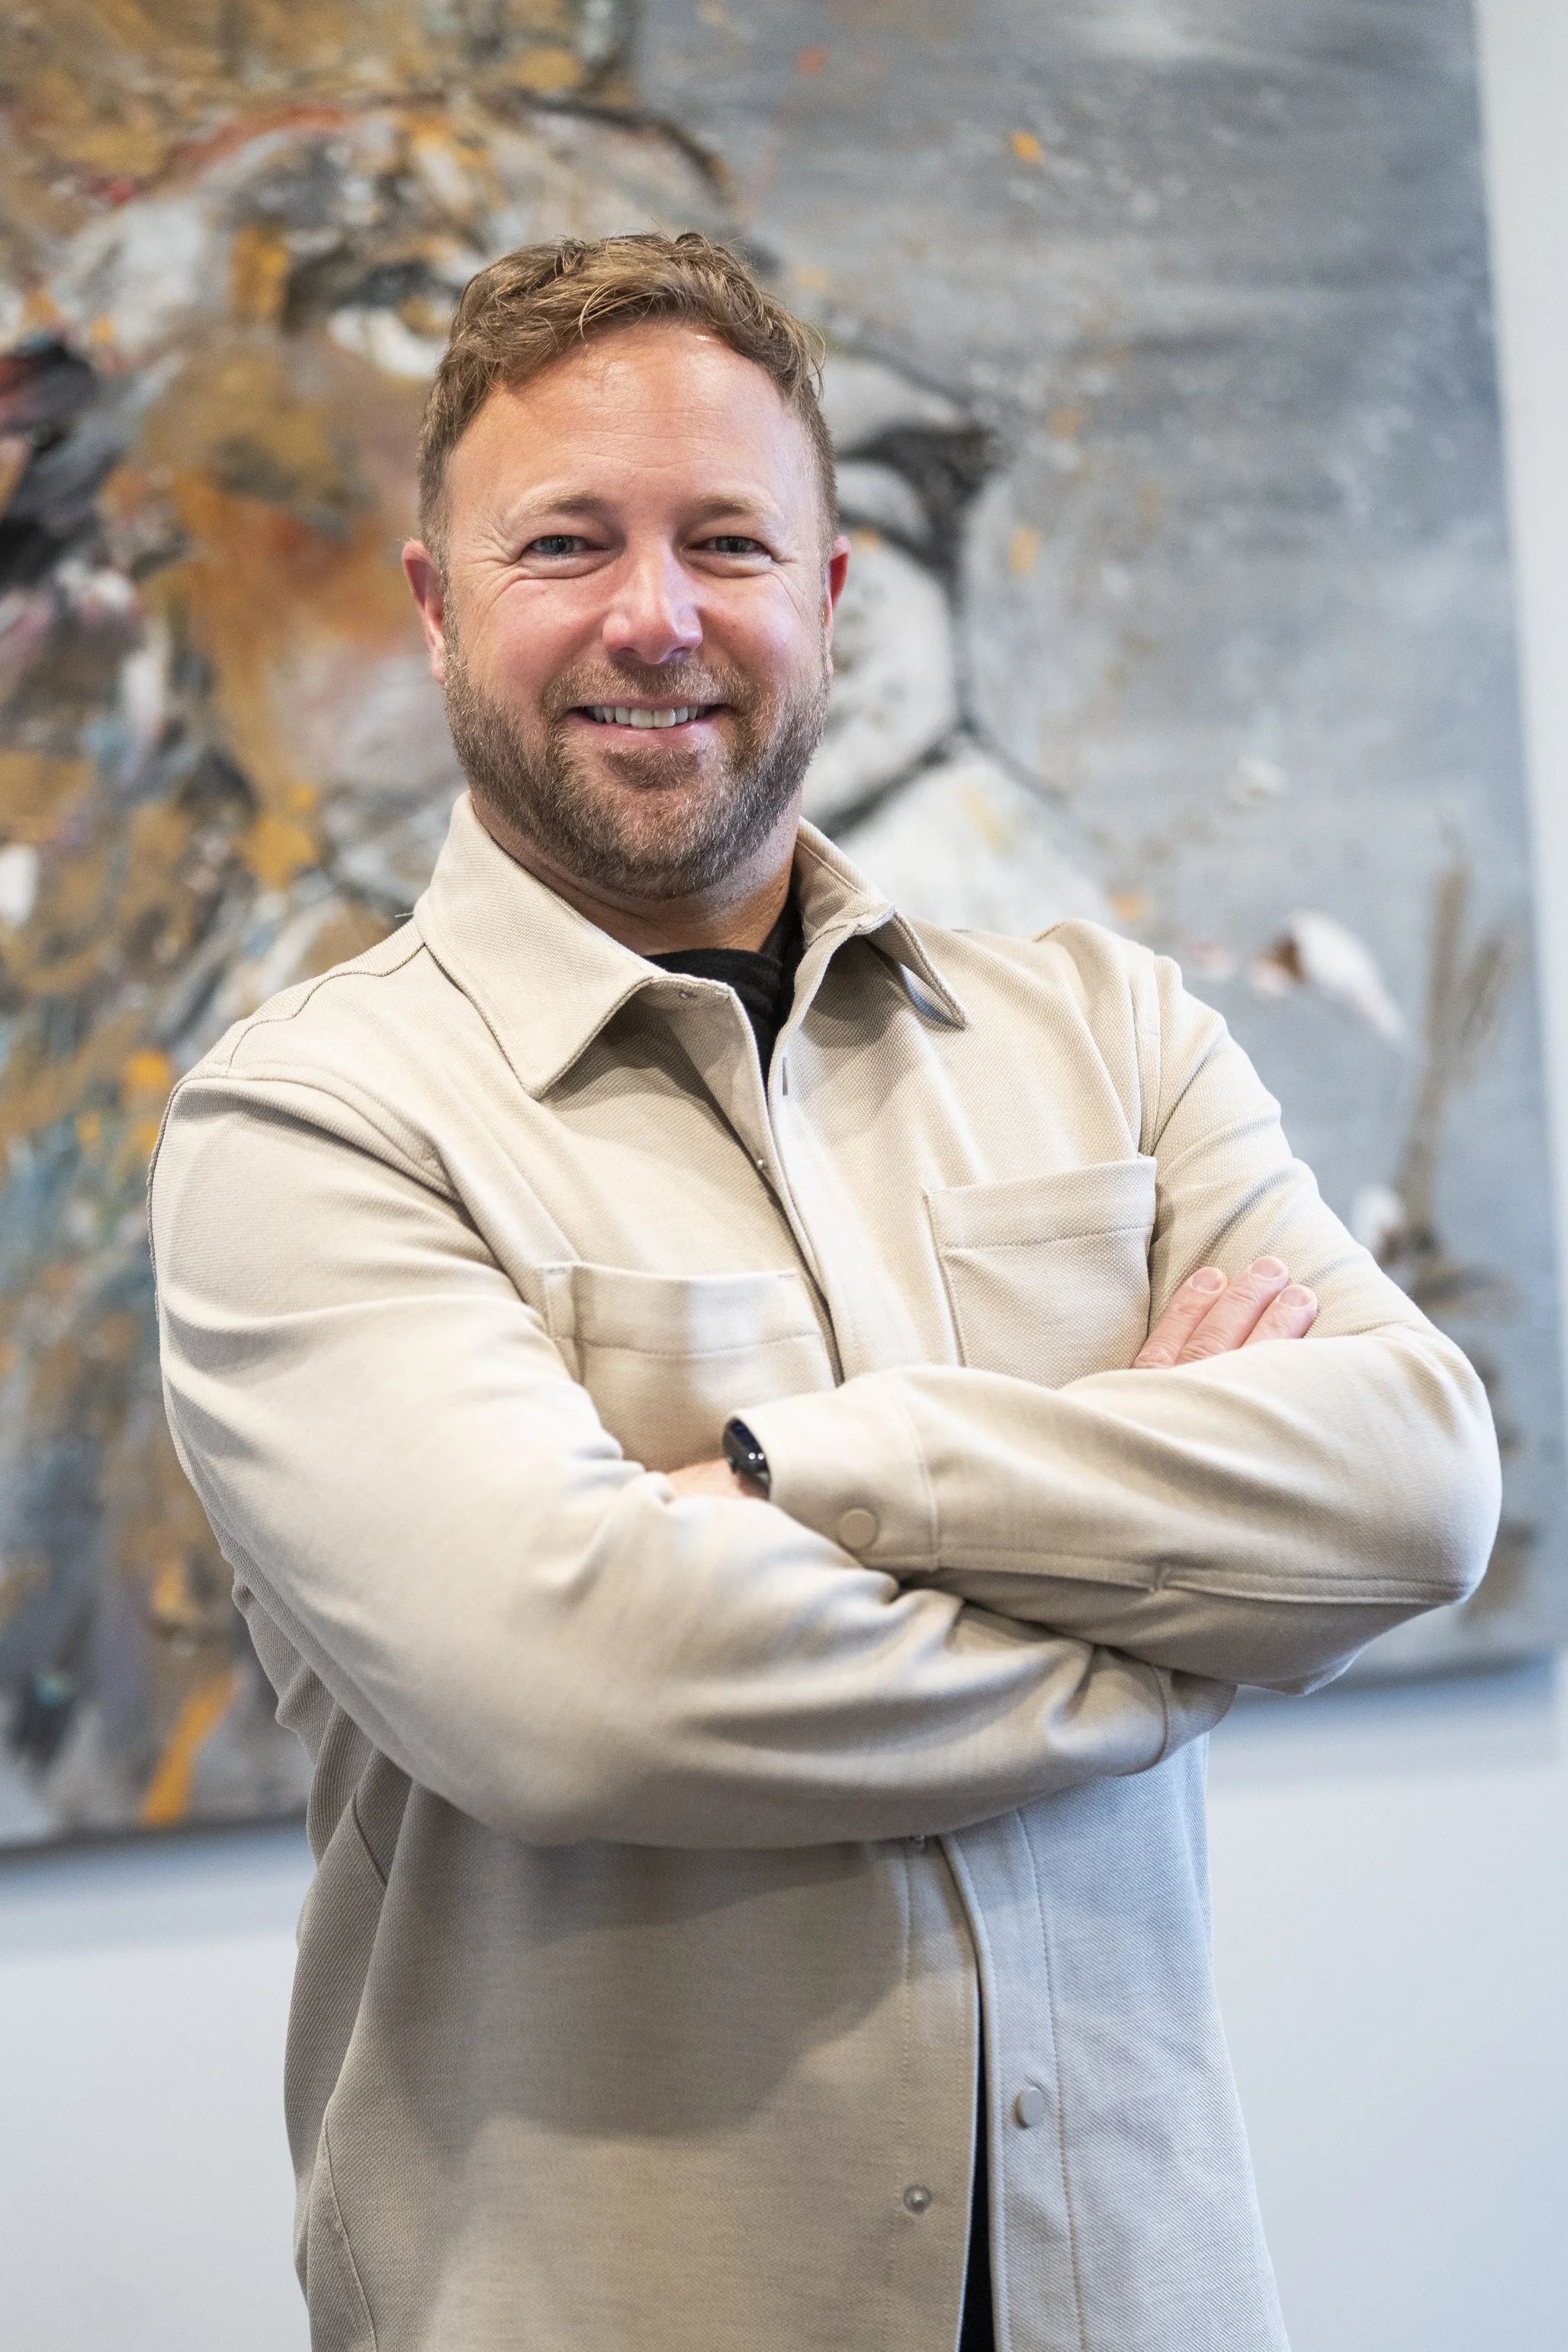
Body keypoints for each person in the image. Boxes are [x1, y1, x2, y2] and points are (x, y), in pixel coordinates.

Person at [149, 233, 1500, 2352]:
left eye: (727, 541)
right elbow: (579, 1688)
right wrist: (1182, 1640)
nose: (655, 616)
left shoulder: (1112, 1033)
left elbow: (1415, 1488)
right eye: (566, 542)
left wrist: (810, 1475)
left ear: (833, 596)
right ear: (436, 607)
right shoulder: (308, 1127)